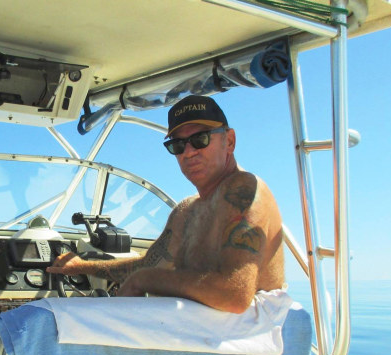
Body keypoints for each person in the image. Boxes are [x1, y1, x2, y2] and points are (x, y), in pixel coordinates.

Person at [46, 95, 284, 314]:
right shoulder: (187, 211)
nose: (188, 153)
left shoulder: (243, 190)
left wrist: (146, 280)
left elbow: (234, 294)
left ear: (229, 141)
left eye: (200, 139)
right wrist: (81, 266)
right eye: (178, 145)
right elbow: (146, 265)